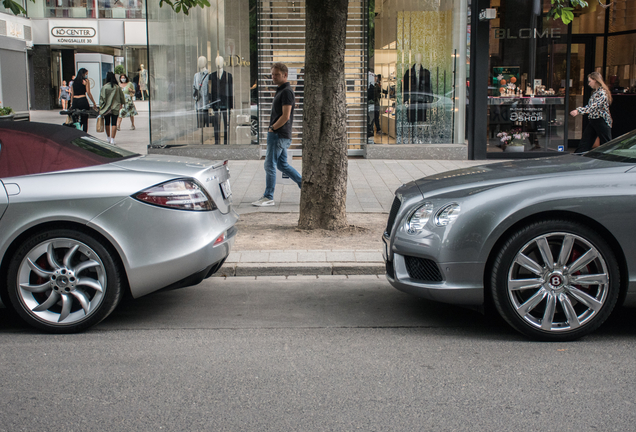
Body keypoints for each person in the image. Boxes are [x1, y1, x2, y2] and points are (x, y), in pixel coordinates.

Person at [252, 62, 302, 207]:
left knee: (270, 165)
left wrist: (273, 128)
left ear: (285, 75)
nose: (273, 77)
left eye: (277, 74)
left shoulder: (286, 91)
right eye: (272, 74)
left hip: (279, 134)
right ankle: (305, 185)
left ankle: (268, 196)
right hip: (279, 134)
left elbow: (286, 116)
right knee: (282, 165)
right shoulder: (281, 89)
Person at [570, 71, 613, 154]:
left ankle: (612, 160)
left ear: (595, 80)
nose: (589, 83)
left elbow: (593, 107)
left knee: (607, 143)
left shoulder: (602, 93)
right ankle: (577, 156)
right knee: (586, 141)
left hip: (601, 120)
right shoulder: (596, 92)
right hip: (594, 120)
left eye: (590, 81)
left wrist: (578, 111)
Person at [99, 72, 125, 145]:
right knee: (114, 123)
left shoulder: (105, 87)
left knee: (107, 122)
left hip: (106, 108)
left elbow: (102, 98)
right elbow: (121, 97)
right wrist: (122, 104)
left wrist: (100, 107)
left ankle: (108, 137)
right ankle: (113, 139)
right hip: (115, 107)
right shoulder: (117, 87)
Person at [70, 68, 96, 132]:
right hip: (83, 100)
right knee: (84, 119)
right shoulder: (86, 81)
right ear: (83, 74)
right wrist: (94, 102)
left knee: (75, 118)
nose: (87, 75)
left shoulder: (73, 82)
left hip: (75, 101)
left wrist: (71, 103)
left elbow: (72, 94)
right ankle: (84, 133)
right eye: (86, 74)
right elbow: (88, 92)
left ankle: (77, 131)